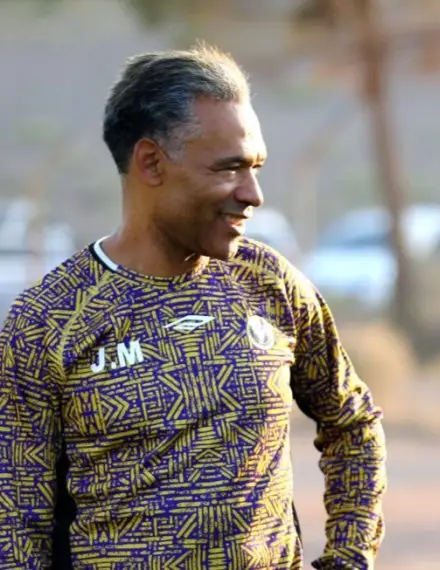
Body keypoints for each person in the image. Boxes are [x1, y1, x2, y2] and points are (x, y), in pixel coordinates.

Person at [0, 43, 386, 570]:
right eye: (229, 169)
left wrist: (349, 556)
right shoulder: (50, 319)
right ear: (151, 163)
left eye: (256, 167)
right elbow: (15, 520)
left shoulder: (269, 283)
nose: (253, 193)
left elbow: (353, 424)